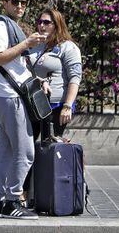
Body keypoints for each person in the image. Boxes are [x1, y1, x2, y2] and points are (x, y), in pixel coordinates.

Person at [0, 0, 47, 219]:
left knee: (6, 149)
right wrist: (26, 44)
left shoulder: (10, 26)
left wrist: (34, 78)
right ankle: (13, 200)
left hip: (7, 94)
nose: (20, 6)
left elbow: (14, 64)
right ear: (5, 3)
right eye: (15, 2)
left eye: (23, 2)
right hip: (9, 96)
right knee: (25, 151)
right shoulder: (0, 26)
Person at [29, 8, 82, 138]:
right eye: (40, 21)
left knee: (50, 146)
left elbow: (75, 78)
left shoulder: (68, 47)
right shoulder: (35, 45)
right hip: (33, 103)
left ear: (57, 25)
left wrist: (68, 106)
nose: (41, 25)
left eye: (47, 22)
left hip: (56, 106)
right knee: (28, 145)